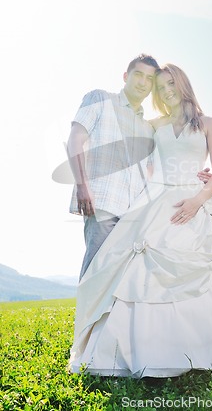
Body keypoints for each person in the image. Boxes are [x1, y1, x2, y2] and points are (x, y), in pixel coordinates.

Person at [69, 63, 212, 377]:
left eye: (171, 83)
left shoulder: (210, 124)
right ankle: (136, 349)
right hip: (158, 201)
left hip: (195, 201)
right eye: (160, 87)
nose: (166, 91)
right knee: (137, 268)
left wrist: (198, 200)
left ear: (184, 84)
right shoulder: (154, 124)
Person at [67, 54, 160, 280]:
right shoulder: (100, 99)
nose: (142, 82)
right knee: (96, 274)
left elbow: (150, 172)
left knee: (123, 280)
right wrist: (82, 186)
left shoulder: (149, 129)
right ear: (126, 76)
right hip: (101, 202)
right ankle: (86, 317)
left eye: (149, 79)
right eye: (138, 75)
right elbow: (75, 140)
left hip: (133, 214)